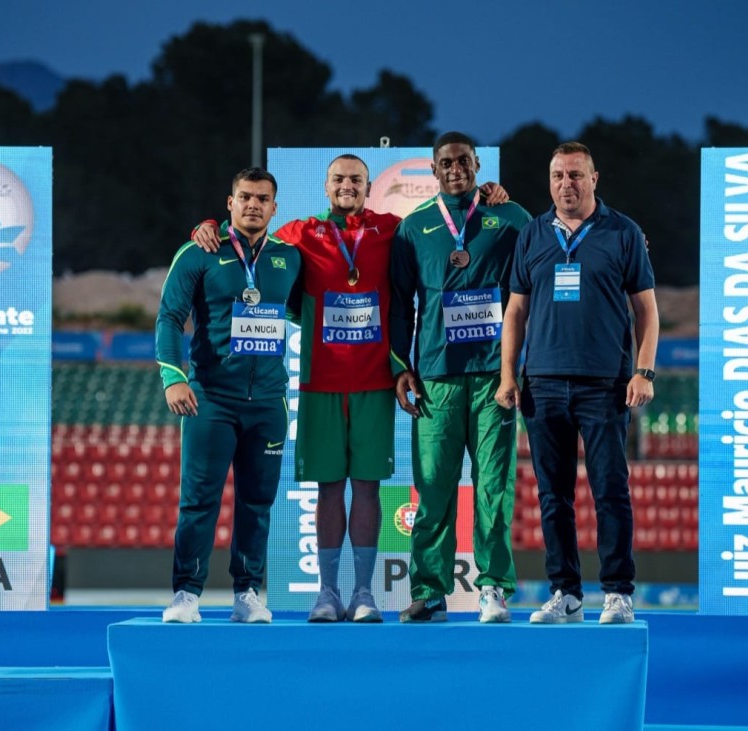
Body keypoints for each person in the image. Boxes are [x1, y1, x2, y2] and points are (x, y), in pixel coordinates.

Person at [192, 154, 508, 623]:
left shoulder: (392, 229)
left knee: (367, 489)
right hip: (319, 382)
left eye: (356, 180)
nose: (347, 186)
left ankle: (363, 593)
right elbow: (248, 238)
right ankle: (326, 593)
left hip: (375, 383)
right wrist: (210, 226)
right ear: (326, 186)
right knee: (327, 489)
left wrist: (487, 198)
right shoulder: (299, 233)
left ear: (366, 187)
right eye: (339, 179)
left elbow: (441, 235)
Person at [495, 141, 659, 625]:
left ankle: (617, 593)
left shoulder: (623, 232)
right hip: (542, 383)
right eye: (557, 175)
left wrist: (643, 372)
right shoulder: (532, 235)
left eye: (575, 175)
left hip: (604, 383)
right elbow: (516, 312)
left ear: (594, 179)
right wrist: (508, 374)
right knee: (553, 494)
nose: (566, 183)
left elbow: (646, 309)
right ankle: (565, 593)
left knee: (610, 489)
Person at [389, 131, 532, 623]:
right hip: (436, 380)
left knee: (494, 487)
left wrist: (517, 369)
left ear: (477, 165)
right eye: (446, 163)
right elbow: (400, 308)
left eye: (464, 161)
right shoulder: (414, 228)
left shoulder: (511, 218)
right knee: (433, 490)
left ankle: (493, 588)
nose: (456, 169)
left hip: (496, 376)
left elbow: (530, 293)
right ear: (434, 170)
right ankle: (429, 591)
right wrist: (400, 368)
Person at [156, 167, 302, 624]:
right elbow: (168, 317)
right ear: (230, 202)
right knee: (199, 500)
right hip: (210, 398)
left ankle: (247, 594)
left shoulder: (289, 257)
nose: (253, 204)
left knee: (257, 503)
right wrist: (172, 375)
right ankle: (186, 594)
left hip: (269, 402)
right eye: (245, 197)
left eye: (262, 198)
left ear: (275, 208)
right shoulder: (199, 252)